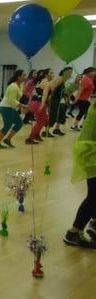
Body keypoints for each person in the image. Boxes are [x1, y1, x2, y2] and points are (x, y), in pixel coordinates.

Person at [63, 101, 96, 249]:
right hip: (91, 152)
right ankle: (73, 232)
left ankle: (94, 224)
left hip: (88, 149)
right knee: (94, 196)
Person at [0, 69, 27, 148]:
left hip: (11, 107)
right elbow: (11, 100)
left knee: (19, 123)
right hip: (5, 107)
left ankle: (7, 139)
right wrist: (22, 106)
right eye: (24, 75)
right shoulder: (13, 86)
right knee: (7, 125)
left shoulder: (21, 85)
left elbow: (17, 98)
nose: (26, 77)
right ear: (18, 77)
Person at [26, 69, 53, 145]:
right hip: (39, 103)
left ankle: (36, 135)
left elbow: (33, 93)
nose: (53, 74)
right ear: (46, 74)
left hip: (34, 103)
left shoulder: (39, 81)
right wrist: (42, 105)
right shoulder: (46, 83)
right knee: (41, 121)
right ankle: (30, 138)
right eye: (51, 73)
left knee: (43, 120)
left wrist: (29, 103)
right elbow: (44, 94)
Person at [46, 67, 73, 137]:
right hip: (54, 100)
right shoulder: (61, 78)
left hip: (58, 100)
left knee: (60, 114)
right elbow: (53, 87)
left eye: (71, 72)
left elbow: (61, 90)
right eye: (69, 72)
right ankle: (46, 131)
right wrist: (50, 96)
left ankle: (56, 129)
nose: (70, 73)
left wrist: (65, 97)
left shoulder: (63, 79)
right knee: (53, 116)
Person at [71, 67, 95, 131]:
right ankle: (74, 125)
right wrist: (76, 99)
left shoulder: (89, 79)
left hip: (86, 99)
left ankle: (77, 125)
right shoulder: (86, 79)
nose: (95, 73)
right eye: (94, 71)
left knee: (85, 112)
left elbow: (88, 91)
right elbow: (80, 90)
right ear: (89, 72)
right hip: (83, 100)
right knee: (82, 112)